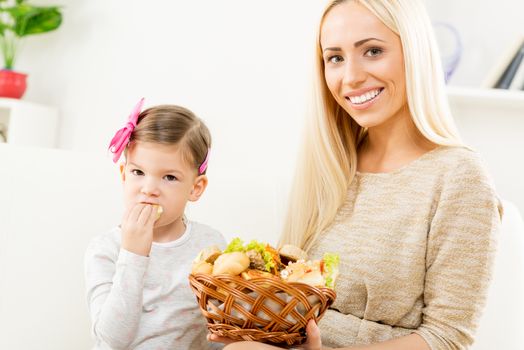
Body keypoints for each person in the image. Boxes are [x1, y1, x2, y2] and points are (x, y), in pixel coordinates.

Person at [215, 0, 502, 349]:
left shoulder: (459, 177)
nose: (350, 77)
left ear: (415, 53)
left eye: (373, 51)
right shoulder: (330, 165)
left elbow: (446, 338)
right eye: (335, 58)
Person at [84, 99, 226, 349]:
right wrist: (133, 254)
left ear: (195, 187)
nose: (149, 189)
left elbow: (217, 333)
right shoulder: (106, 249)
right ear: (123, 174)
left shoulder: (210, 247)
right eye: (138, 172)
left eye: (169, 177)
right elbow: (111, 340)